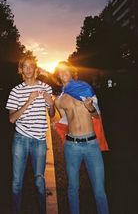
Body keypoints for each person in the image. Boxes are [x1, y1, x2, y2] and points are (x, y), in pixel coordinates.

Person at [54, 61, 109, 214]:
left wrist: (90, 107)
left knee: (99, 190)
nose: (63, 73)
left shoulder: (85, 89)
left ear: (72, 72)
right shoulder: (59, 100)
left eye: (66, 70)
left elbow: (97, 115)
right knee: (72, 188)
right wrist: (57, 124)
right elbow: (65, 120)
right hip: (72, 146)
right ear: (58, 75)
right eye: (60, 71)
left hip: (91, 144)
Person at [6, 55, 55, 214]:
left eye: (30, 66)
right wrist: (29, 100)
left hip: (40, 140)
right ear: (21, 70)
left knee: (40, 181)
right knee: (16, 182)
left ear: (36, 69)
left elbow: (52, 114)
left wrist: (51, 103)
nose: (28, 69)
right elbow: (12, 119)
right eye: (24, 66)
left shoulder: (46, 88)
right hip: (21, 139)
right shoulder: (16, 91)